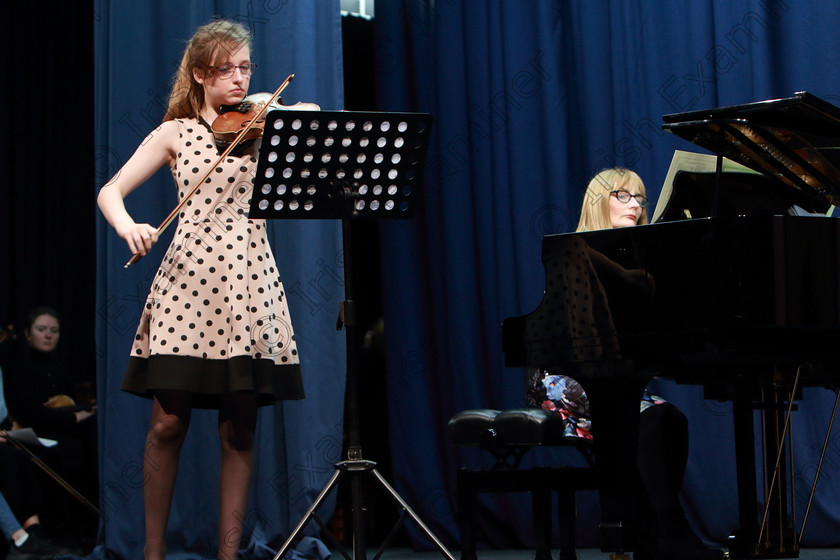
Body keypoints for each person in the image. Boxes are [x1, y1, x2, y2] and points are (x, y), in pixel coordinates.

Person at [97, 19, 308, 560]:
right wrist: (130, 227)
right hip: (187, 286)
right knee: (167, 423)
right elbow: (111, 191)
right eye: (226, 70)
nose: (239, 79)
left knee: (239, 428)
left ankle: (229, 555)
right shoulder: (177, 132)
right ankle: (151, 554)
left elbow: (310, 121)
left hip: (250, 281)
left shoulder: (263, 123)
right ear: (199, 74)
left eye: (245, 68)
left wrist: (282, 112)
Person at [527, 168, 723, 560]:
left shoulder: (643, 254)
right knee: (646, 421)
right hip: (562, 379)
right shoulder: (572, 248)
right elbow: (577, 262)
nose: (635, 204)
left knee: (670, 420)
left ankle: (651, 530)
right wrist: (625, 275)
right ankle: (665, 533)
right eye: (623, 195)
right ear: (599, 199)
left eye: (640, 198)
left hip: (611, 374)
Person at [3, 307, 98, 547]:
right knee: (63, 450)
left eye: (54, 331)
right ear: (27, 333)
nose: (48, 335)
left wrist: (84, 412)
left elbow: (72, 403)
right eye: (42, 329)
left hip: (67, 432)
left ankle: (90, 526)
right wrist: (71, 419)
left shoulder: (61, 367)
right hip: (38, 434)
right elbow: (29, 413)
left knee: (91, 437)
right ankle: (50, 531)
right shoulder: (18, 367)